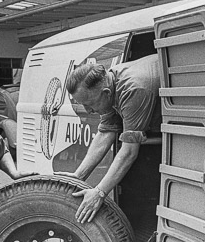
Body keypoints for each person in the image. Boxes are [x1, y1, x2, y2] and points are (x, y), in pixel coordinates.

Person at [62, 54, 161, 223]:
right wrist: (78, 176)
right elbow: (105, 132)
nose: (88, 111)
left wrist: (99, 193)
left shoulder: (133, 89)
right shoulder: (109, 81)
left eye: (89, 104)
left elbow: (129, 152)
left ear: (106, 93)